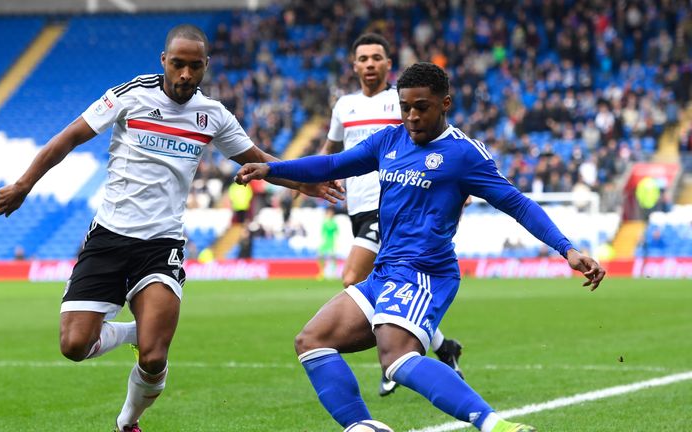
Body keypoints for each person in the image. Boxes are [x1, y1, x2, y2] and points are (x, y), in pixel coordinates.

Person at [0, 24, 343, 432]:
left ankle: (128, 421)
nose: (185, 76)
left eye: (195, 67)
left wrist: (302, 180)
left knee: (154, 356)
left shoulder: (212, 115)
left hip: (162, 244)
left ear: (206, 66)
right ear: (164, 60)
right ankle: (131, 332)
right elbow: (68, 138)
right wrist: (23, 185)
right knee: (74, 346)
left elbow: (256, 159)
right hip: (109, 235)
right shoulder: (130, 95)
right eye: (178, 65)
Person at [235, 62, 606, 432]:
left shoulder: (464, 154)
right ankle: (362, 427)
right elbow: (333, 163)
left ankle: (496, 426)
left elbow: (516, 202)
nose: (411, 116)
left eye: (421, 107)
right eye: (405, 106)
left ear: (445, 103)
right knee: (312, 340)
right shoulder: (389, 140)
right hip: (385, 271)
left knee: (396, 358)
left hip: (425, 272)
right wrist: (273, 169)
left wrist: (567, 249)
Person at [320, 33, 464, 396]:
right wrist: (309, 178)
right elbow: (331, 152)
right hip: (357, 207)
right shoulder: (344, 107)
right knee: (378, 285)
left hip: (391, 209)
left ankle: (397, 355)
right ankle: (440, 346)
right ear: (354, 66)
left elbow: (437, 142)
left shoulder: (401, 102)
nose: (369, 64)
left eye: (376, 57)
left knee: (352, 278)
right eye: (363, 58)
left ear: (388, 64)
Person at [317, 206, 340, 279]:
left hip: (332, 243)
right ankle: (321, 272)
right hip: (325, 243)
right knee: (320, 257)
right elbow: (322, 234)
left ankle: (334, 273)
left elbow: (337, 233)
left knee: (333, 258)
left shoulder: (333, 223)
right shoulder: (325, 223)